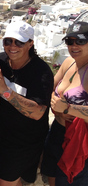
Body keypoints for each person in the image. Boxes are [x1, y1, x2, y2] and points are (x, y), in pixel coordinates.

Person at [0, 21, 54, 186]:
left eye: (19, 42)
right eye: (8, 41)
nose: (12, 46)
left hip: (23, 144)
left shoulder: (40, 72)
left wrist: (5, 91)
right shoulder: (0, 61)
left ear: (30, 43)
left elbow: (38, 112)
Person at [44, 21, 88, 185]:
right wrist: (55, 105)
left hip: (79, 142)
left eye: (81, 41)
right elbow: (49, 89)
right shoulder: (69, 63)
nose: (74, 45)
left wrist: (68, 108)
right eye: (70, 41)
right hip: (58, 132)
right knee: (52, 178)